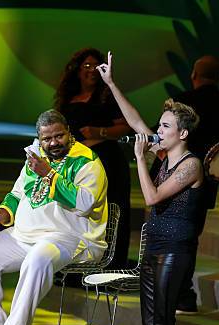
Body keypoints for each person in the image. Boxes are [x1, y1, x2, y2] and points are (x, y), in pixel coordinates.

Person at [0, 110, 108, 325]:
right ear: (39, 138)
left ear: (69, 132)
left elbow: (85, 203)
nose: (54, 143)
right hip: (24, 236)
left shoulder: (88, 162)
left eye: (59, 136)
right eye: (47, 139)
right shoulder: (34, 157)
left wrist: (47, 173)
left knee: (38, 258)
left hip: (70, 238)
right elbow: (16, 195)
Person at [97, 52, 201, 325]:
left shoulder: (191, 165)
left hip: (175, 251)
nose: (158, 131)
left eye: (166, 127)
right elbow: (135, 120)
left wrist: (139, 159)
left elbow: (153, 197)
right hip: (154, 247)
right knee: (150, 324)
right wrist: (111, 84)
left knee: (162, 323)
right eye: (160, 125)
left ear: (183, 133)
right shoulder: (162, 154)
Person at [55, 48, 131, 270]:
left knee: (111, 211)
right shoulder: (68, 98)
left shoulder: (107, 96)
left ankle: (110, 264)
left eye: (96, 66)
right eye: (86, 66)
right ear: (77, 71)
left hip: (107, 162)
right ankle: (78, 265)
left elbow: (126, 125)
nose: (91, 71)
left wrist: (100, 133)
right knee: (78, 212)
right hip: (77, 165)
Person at [172, 55, 219, 314]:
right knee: (190, 239)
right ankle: (184, 293)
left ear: (193, 75)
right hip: (207, 182)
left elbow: (164, 138)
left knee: (173, 240)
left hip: (177, 180)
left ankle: (176, 293)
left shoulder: (182, 102)